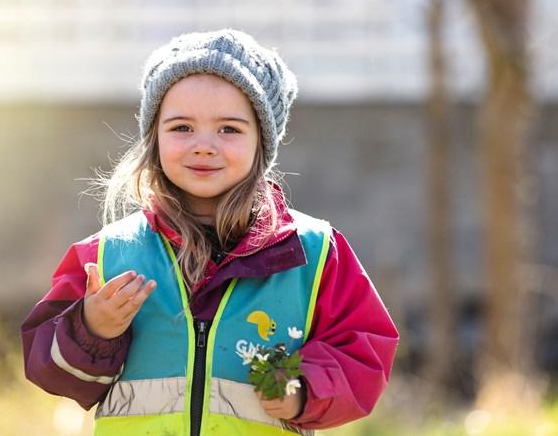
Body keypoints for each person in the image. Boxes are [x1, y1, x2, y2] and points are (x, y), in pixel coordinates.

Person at [21, 28, 399, 436]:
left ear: (262, 143)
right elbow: (49, 370)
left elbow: (363, 352)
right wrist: (92, 329)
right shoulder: (108, 254)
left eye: (229, 129)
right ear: (154, 138)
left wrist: (302, 388)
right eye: (182, 127)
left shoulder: (314, 252)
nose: (203, 145)